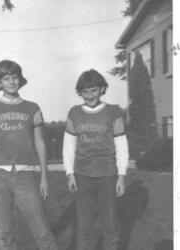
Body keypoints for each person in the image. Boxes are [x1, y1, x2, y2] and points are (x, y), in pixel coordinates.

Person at [0, 60, 58, 250]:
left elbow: (40, 143)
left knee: (43, 230)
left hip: (25, 174)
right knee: (4, 233)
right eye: (6, 78)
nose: (12, 82)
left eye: (15, 77)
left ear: (20, 80)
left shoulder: (32, 108)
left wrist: (44, 178)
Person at [63, 69, 129, 250]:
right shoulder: (74, 113)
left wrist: (121, 176)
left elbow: (121, 145)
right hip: (82, 176)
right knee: (83, 227)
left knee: (110, 225)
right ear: (80, 92)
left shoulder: (113, 112)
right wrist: (70, 173)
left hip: (107, 175)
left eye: (93, 90)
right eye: (85, 91)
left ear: (101, 89)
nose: (89, 95)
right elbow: (69, 145)